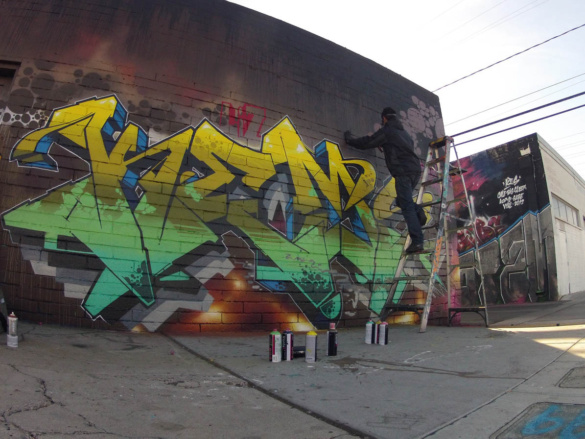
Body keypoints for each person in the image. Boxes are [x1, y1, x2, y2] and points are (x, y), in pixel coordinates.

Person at [345, 107, 427, 253]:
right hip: (415, 170)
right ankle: (419, 214)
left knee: (406, 206)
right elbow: (400, 147)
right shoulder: (404, 134)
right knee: (402, 201)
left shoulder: (387, 130)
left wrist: (350, 140)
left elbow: (368, 142)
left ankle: (417, 242)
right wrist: (385, 144)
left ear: (384, 118)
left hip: (403, 172)